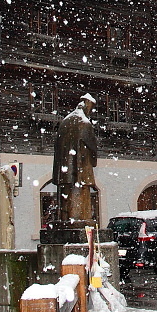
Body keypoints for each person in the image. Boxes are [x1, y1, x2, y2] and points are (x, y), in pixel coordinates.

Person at [51, 93, 99, 227]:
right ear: (87, 105)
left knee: (66, 192)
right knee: (80, 191)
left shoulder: (65, 121)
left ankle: (65, 217)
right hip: (80, 165)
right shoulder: (84, 122)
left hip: (64, 168)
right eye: (90, 108)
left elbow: (57, 145)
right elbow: (92, 145)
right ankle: (79, 217)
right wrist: (93, 158)